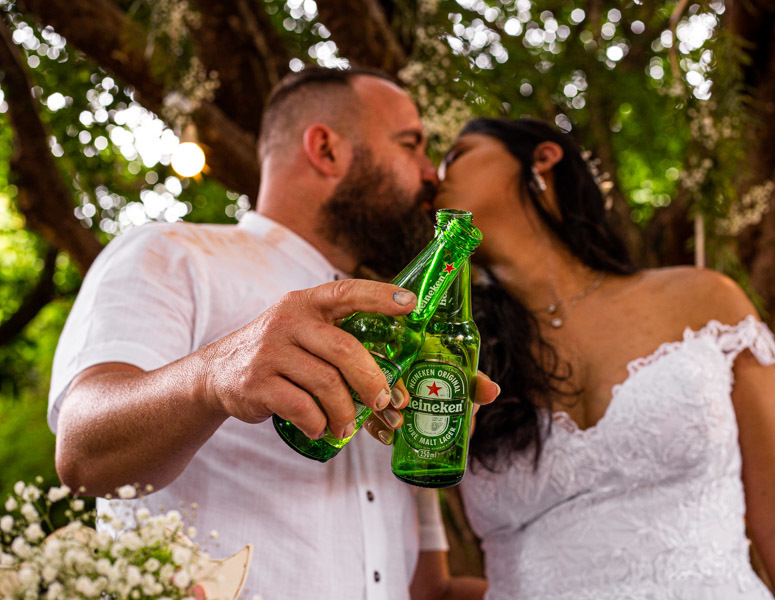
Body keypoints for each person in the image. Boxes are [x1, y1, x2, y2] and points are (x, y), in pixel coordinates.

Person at [48, 67, 497, 600]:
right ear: (326, 149)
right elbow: (81, 453)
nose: (429, 173)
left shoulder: (405, 331)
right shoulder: (170, 253)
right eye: (411, 145)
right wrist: (215, 376)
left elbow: (426, 589)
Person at [437, 118, 775, 599]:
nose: (433, 176)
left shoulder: (703, 301)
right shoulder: (452, 351)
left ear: (544, 158)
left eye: (456, 154)